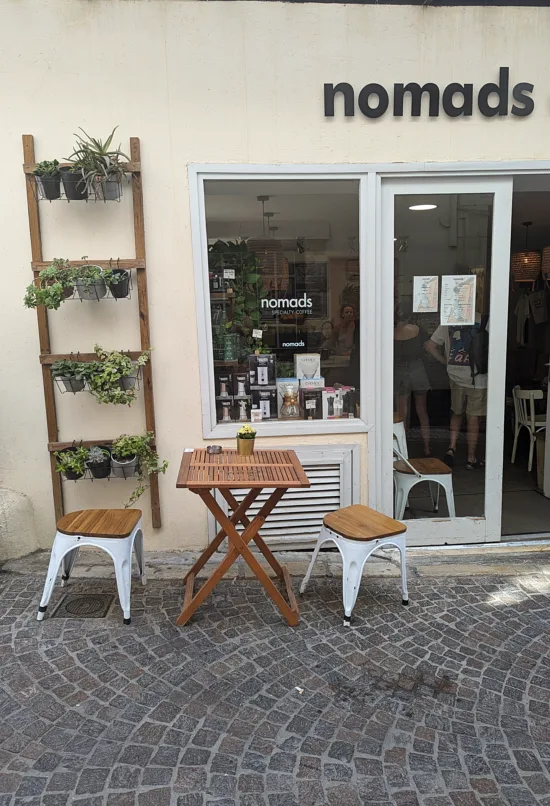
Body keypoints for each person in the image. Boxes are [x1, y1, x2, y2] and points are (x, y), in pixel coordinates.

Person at [425, 317, 487, 470]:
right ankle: (471, 458)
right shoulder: (483, 320)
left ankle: (451, 448)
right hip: (478, 377)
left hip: (456, 374)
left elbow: (430, 345)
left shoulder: (449, 320)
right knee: (473, 417)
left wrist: (445, 361)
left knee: (457, 412)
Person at [393, 301, 431, 456]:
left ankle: (403, 448)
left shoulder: (392, 332)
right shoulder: (418, 330)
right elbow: (429, 347)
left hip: (399, 371)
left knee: (402, 413)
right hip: (418, 369)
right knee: (422, 410)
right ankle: (427, 447)